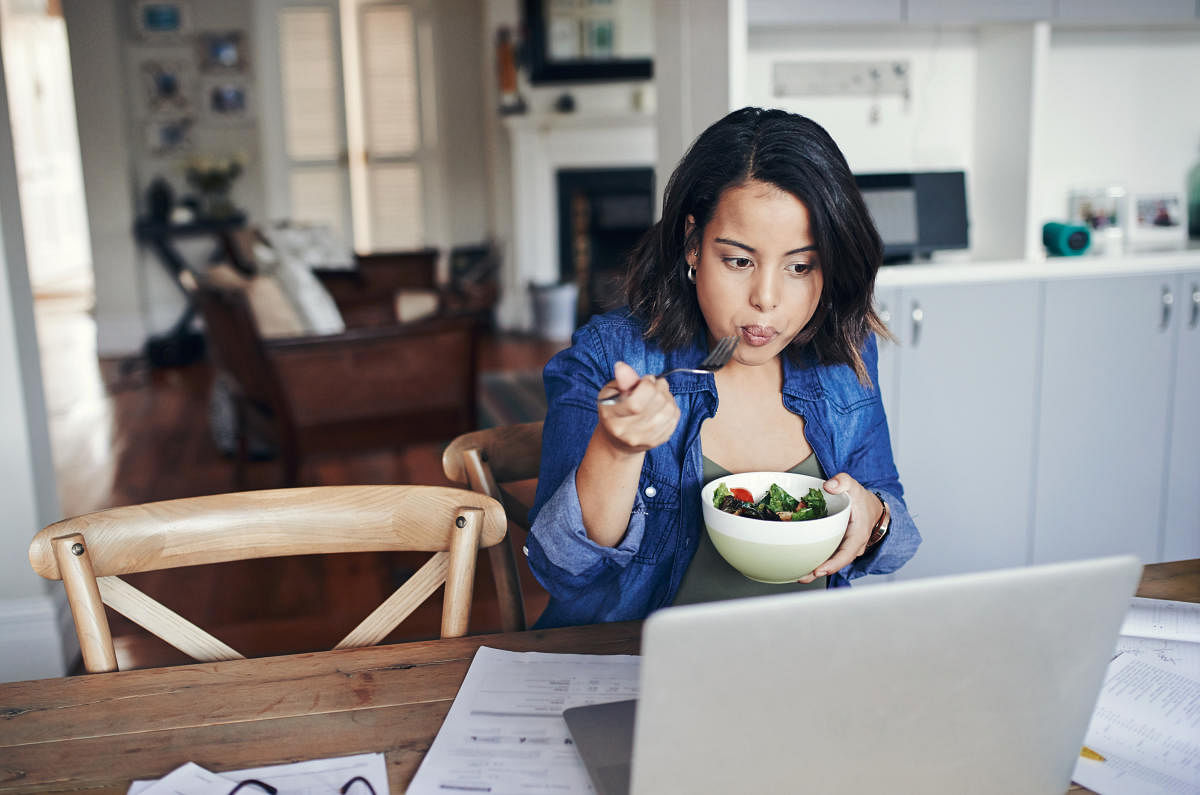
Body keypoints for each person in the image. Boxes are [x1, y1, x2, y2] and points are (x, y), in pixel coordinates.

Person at [524, 107, 921, 628]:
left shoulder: (843, 353)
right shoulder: (613, 355)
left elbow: (895, 526)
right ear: (693, 244)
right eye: (739, 261)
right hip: (640, 677)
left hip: (804, 666)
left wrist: (873, 518)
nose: (767, 299)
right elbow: (560, 569)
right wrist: (618, 449)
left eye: (801, 267)